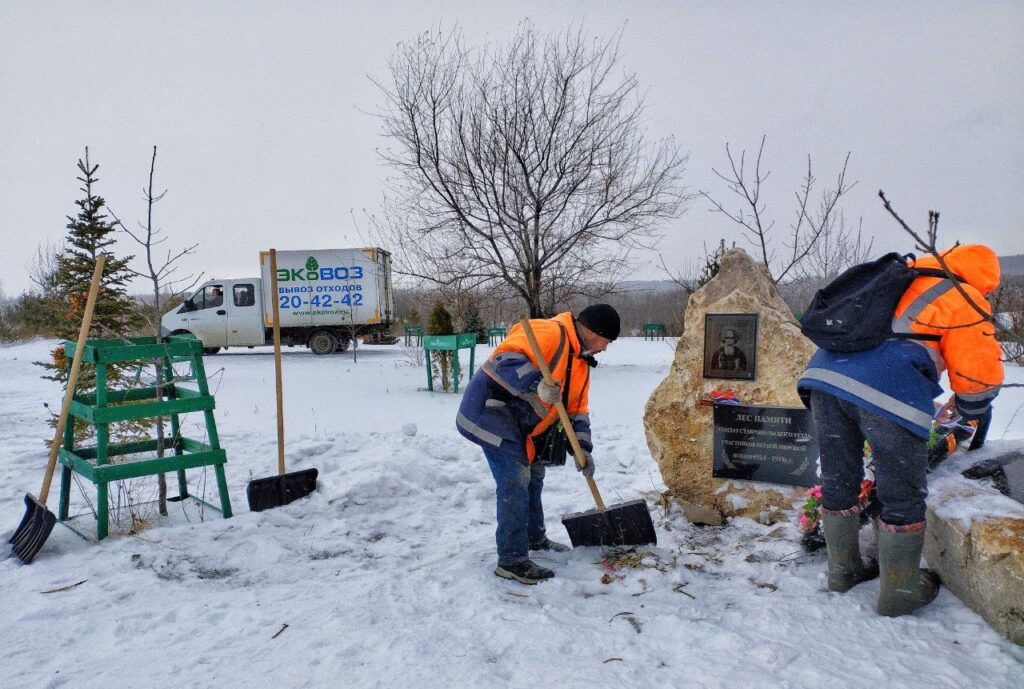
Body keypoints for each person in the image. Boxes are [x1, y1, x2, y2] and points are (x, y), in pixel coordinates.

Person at [798, 244, 1003, 616]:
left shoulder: (897, 277)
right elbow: (978, 375)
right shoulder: (963, 294)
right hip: (888, 389)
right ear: (985, 278)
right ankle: (900, 591)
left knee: (839, 477)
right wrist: (970, 409)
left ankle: (842, 571)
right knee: (901, 489)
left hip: (823, 379)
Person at [456, 304, 620, 584]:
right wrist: (536, 384)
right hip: (490, 412)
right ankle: (512, 560)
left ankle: (534, 537)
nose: (605, 349)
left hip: (521, 426)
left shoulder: (580, 362)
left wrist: (583, 449)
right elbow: (503, 359)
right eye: (607, 341)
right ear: (593, 332)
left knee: (535, 473)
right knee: (515, 478)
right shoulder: (550, 332)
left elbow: (577, 411)